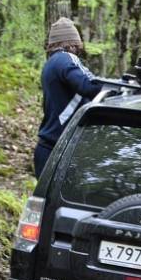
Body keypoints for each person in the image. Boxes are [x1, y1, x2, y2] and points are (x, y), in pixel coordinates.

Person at [34, 17, 103, 178]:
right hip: (60, 151)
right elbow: (89, 85)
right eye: (77, 46)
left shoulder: (51, 64)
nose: (78, 50)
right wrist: (119, 87)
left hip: (47, 150)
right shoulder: (66, 58)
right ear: (72, 43)